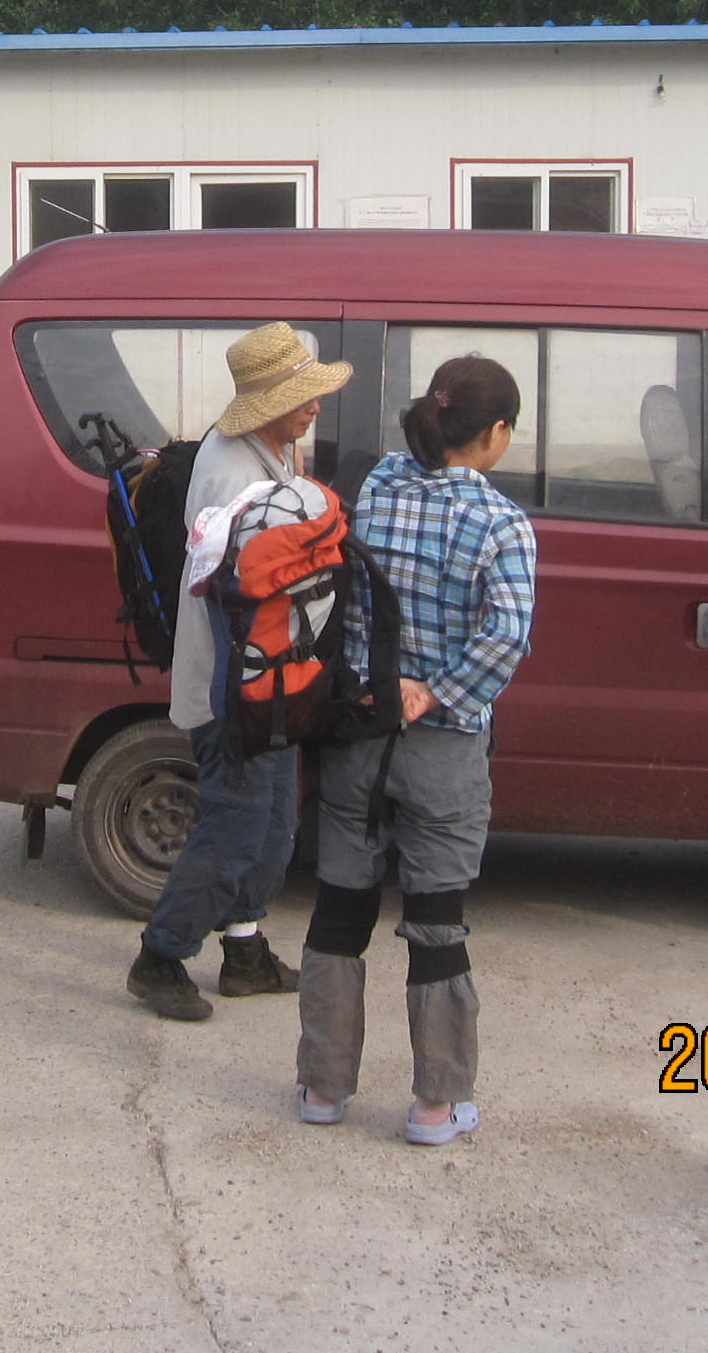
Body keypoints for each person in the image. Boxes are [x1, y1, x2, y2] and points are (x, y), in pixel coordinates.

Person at [295, 353, 536, 1144]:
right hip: (442, 747)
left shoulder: (372, 490)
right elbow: (506, 634)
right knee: (436, 921)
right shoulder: (500, 522)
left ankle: (323, 1088)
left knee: (339, 907)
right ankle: (436, 1104)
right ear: (494, 432)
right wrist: (436, 692)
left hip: (358, 732)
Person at [124, 320, 354, 1023]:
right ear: (266, 404)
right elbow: (241, 593)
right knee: (237, 826)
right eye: (301, 396)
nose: (314, 406)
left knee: (275, 822)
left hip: (269, 679)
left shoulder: (269, 451)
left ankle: (245, 952)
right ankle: (160, 957)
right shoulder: (231, 474)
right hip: (236, 688)